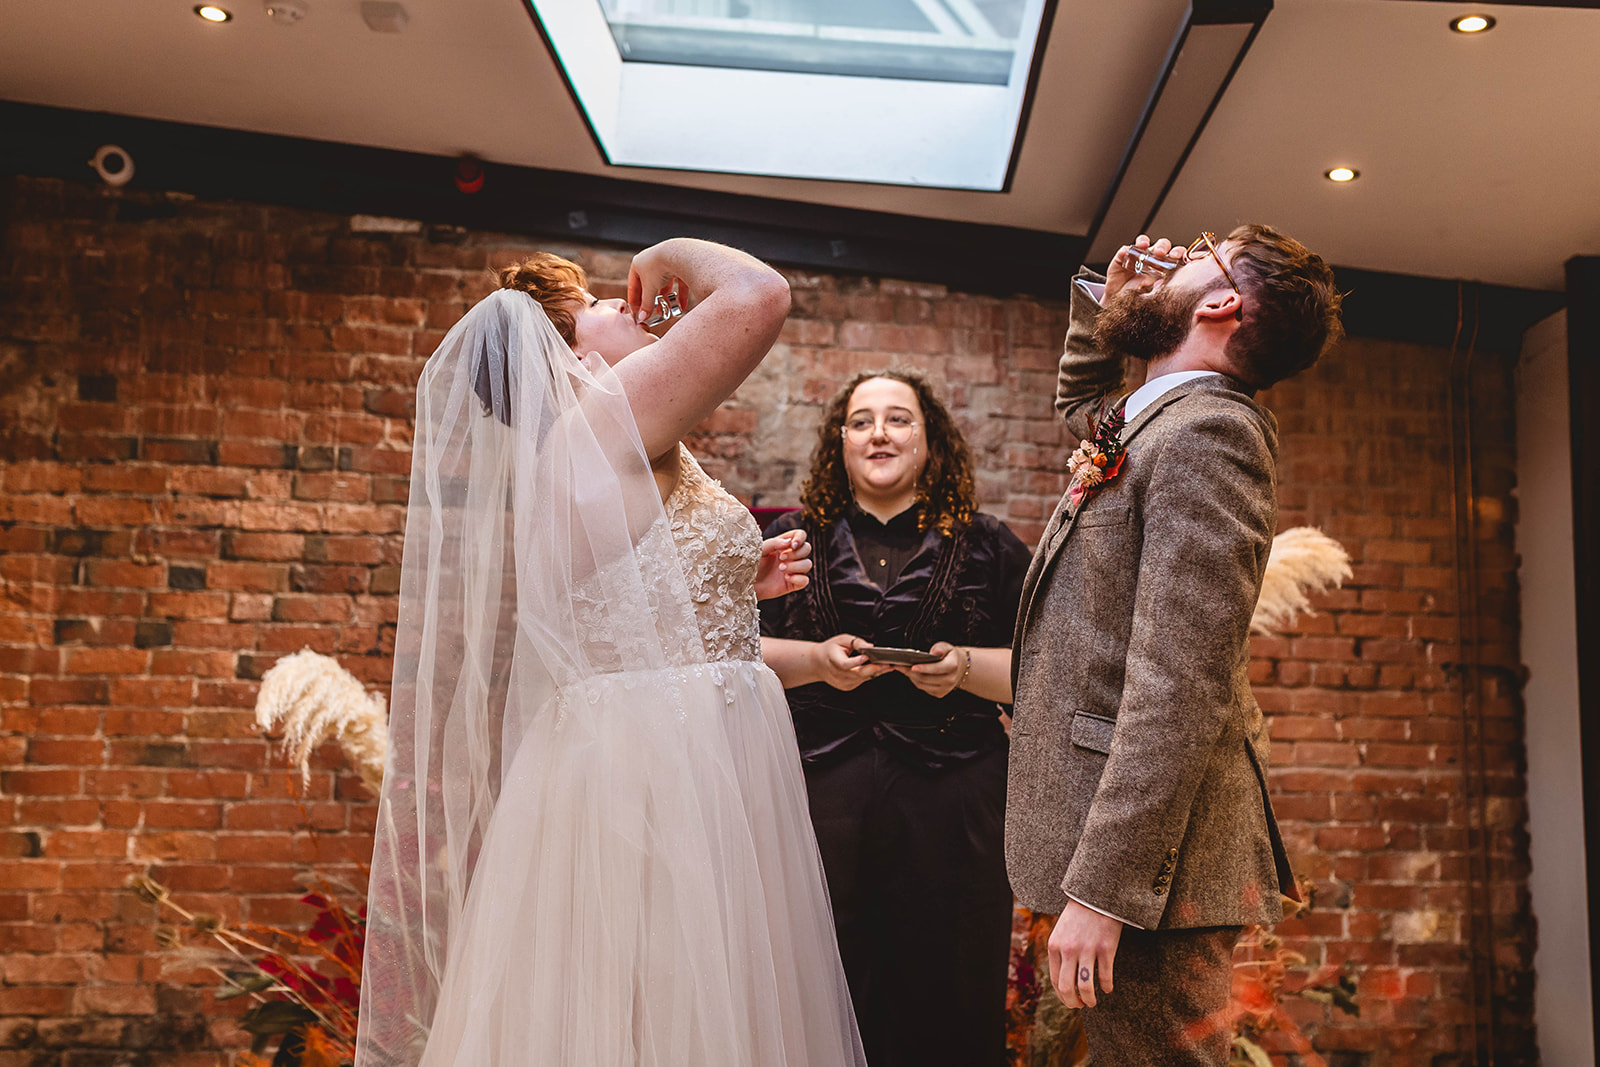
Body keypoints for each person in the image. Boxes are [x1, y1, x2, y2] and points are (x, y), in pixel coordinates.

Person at [356, 240, 867, 1067]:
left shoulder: (589, 446)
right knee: (685, 1011)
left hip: (651, 755)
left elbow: (646, 640)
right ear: (570, 357)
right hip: (670, 771)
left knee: (652, 1012)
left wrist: (737, 581)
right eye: (595, 301)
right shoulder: (602, 416)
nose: (621, 303)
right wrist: (664, 255)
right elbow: (759, 292)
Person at [1006, 225, 1343, 1065]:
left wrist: (1105, 892)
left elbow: (1180, 684)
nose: (1175, 256)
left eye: (1203, 249)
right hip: (1137, 861)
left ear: (1224, 301)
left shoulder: (1210, 436)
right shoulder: (1165, 420)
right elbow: (1089, 418)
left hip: (1157, 879)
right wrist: (1108, 312)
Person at [759, 369, 1032, 1067]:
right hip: (819, 801)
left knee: (947, 994)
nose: (879, 432)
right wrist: (816, 661)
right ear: (840, 442)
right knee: (818, 989)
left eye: (898, 418)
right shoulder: (785, 544)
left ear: (931, 439)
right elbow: (727, 654)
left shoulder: (992, 547)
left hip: (955, 807)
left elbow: (1047, 675)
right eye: (861, 420)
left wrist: (965, 669)